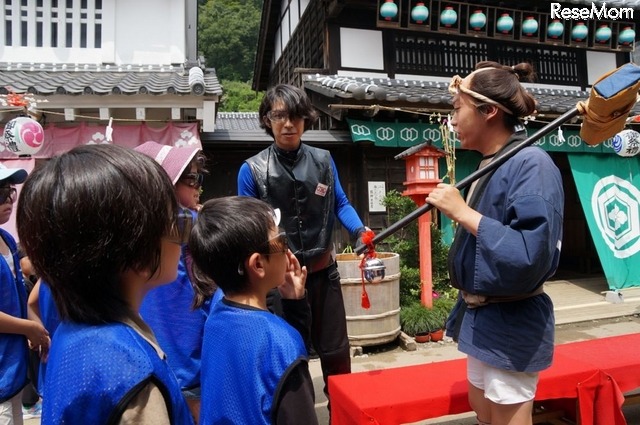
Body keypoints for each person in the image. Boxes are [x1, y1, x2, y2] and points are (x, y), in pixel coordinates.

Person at [426, 61, 564, 425]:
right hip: (481, 318)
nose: (452, 119)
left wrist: (463, 213)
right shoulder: (491, 163)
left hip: (511, 319)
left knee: (506, 415)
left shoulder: (532, 164)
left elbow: (528, 253)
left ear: (489, 111)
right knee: (483, 409)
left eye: (457, 108)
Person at [17, 144, 194, 425]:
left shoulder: (71, 330)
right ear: (137, 250)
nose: (184, 233)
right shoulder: (135, 379)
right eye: (177, 221)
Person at [237, 84, 368, 399]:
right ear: (267, 120)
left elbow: (340, 204)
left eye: (295, 116)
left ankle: (343, 418)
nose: (288, 124)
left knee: (336, 354)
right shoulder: (251, 170)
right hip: (280, 282)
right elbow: (248, 228)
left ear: (306, 120)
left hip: (324, 274)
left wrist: (360, 231)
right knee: (289, 359)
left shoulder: (324, 161)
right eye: (279, 116)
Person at [189, 196, 318, 424]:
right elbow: (286, 362)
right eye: (281, 240)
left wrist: (294, 304)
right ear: (258, 264)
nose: (288, 250)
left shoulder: (215, 318)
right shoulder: (278, 342)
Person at [134, 141, 209, 422]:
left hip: (151, 358)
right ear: (163, 184)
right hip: (189, 357)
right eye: (190, 178)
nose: (198, 186)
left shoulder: (135, 228)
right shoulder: (187, 222)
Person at [0, 164, 49, 425]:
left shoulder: (7, 239)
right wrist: (29, 328)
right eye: (0, 195)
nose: (8, 201)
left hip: (13, 367)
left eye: (10, 193)